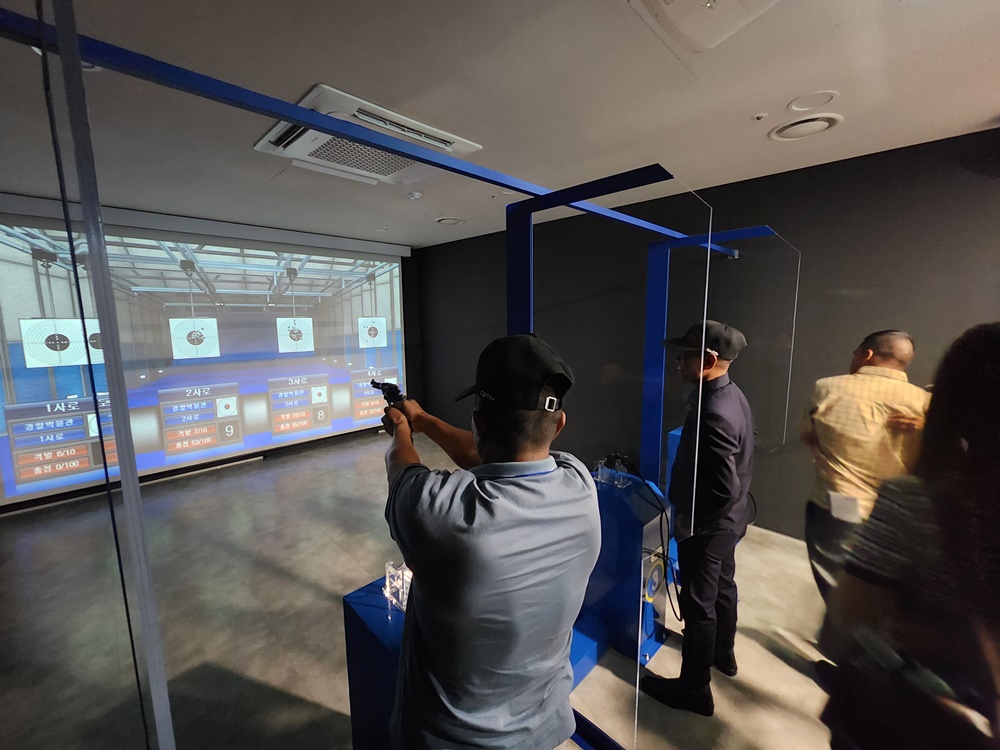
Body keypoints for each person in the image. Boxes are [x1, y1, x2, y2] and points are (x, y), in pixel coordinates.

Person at [381, 334, 601, 750]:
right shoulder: (580, 481)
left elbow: (402, 468)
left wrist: (402, 431)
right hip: (543, 730)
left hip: (448, 740)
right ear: (559, 425)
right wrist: (424, 420)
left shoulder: (437, 513)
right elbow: (494, 456)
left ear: (479, 422)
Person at [819, 322, 1000, 748]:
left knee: (832, 581)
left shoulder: (828, 388)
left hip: (914, 713)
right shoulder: (918, 402)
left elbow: (854, 616)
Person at [640, 320, 756, 717]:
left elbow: (722, 488)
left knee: (698, 604)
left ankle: (695, 690)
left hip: (709, 526)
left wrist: (691, 528)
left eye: (684, 354)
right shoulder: (730, 394)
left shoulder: (714, 410)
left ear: (708, 359)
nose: (677, 360)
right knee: (724, 588)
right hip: (731, 521)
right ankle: (724, 656)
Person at [801, 329, 931, 601]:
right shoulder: (925, 403)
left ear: (867, 354)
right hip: (893, 512)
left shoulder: (828, 387)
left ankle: (847, 636)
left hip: (839, 505)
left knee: (835, 581)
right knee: (881, 588)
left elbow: (808, 435)